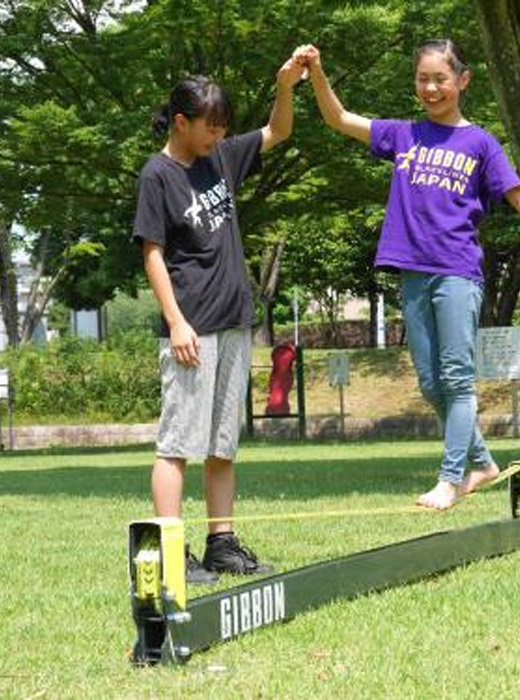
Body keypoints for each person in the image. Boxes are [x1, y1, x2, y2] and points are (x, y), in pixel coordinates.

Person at [293, 40, 520, 510]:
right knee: (431, 385)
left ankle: (451, 479)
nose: (431, 88)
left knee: (455, 379)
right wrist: (316, 73)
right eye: (423, 79)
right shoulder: (404, 135)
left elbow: (519, 196)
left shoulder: (480, 143)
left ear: (462, 80)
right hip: (413, 273)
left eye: (440, 79)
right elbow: (340, 118)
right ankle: (483, 464)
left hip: (457, 273)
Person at [132, 59, 305, 584]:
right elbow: (153, 253)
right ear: (181, 121)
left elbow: (280, 129)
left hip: (232, 322)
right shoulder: (158, 175)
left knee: (221, 444)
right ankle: (170, 549)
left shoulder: (223, 158)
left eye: (224, 125)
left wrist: (282, 85)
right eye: (210, 124)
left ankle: (222, 544)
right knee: (178, 443)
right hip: (192, 328)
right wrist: (176, 322)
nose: (219, 133)